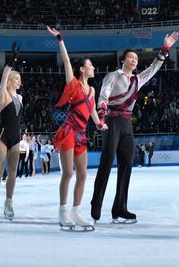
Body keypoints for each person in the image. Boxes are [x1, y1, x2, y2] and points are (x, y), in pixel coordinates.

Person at [91, 32, 179, 224]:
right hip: (111, 122)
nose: (134, 60)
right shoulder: (113, 76)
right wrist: (102, 116)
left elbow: (154, 68)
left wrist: (165, 48)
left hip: (126, 124)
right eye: (131, 57)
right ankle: (96, 204)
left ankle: (120, 208)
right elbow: (104, 95)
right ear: (123, 60)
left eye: (136, 58)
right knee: (106, 163)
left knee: (127, 165)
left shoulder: (138, 80)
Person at [47, 26, 108, 230]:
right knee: (68, 173)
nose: (93, 67)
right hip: (69, 131)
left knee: (82, 174)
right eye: (90, 65)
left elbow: (91, 110)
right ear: (82, 69)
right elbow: (66, 61)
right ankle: (63, 211)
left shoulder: (92, 90)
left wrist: (99, 123)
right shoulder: (73, 84)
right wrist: (60, 39)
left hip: (82, 134)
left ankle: (76, 211)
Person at [0, 65, 22, 221]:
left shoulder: (20, 98)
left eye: (20, 79)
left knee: (13, 173)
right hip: (2, 136)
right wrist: (11, 62)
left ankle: (8, 203)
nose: (19, 81)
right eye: (16, 78)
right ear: (9, 80)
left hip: (16, 137)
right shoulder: (3, 95)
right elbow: (2, 79)